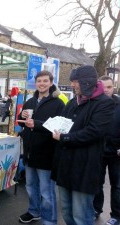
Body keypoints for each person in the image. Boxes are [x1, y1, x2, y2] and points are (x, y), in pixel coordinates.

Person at [52, 65, 114, 225]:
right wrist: (45, 125)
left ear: (86, 82)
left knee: (81, 215)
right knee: (66, 211)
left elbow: (94, 132)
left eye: (75, 81)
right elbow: (61, 122)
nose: (72, 85)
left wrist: (64, 138)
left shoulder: (104, 103)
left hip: (85, 168)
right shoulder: (73, 101)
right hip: (65, 166)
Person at [17, 70, 64, 225]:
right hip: (30, 152)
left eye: (45, 81)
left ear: (51, 83)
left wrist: (35, 124)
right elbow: (20, 122)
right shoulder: (30, 101)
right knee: (30, 186)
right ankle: (34, 211)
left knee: (46, 191)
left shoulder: (58, 103)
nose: (42, 84)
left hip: (46, 154)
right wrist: (21, 117)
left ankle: (49, 220)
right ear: (35, 83)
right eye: (39, 81)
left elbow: (59, 127)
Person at [93, 75, 120, 225]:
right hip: (98, 151)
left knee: (117, 185)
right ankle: (96, 209)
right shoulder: (95, 104)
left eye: (109, 87)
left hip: (116, 153)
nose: (106, 90)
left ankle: (116, 215)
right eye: (104, 87)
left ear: (113, 87)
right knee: (97, 183)